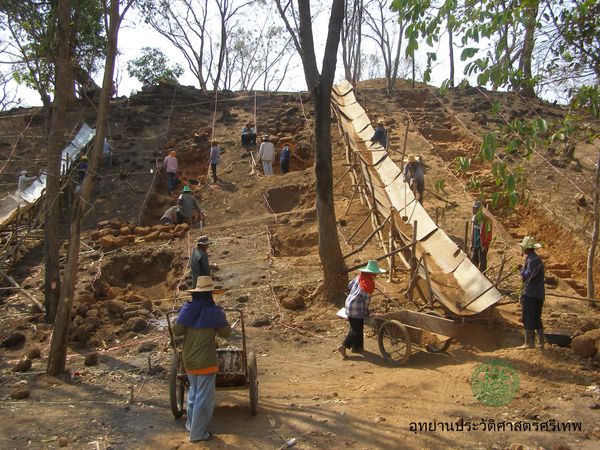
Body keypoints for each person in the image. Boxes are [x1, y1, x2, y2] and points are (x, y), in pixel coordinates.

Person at [172, 276, 231, 442]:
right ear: (210, 294)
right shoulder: (214, 312)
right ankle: (198, 434)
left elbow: (177, 331)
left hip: (189, 359)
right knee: (204, 398)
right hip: (206, 361)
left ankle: (191, 425)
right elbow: (226, 333)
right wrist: (222, 318)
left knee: (193, 393)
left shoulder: (187, 309)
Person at [337, 260, 386, 358]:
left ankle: (357, 347)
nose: (376, 275)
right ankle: (344, 346)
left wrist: (356, 292)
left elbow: (350, 285)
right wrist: (366, 310)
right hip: (357, 308)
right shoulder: (369, 284)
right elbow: (366, 300)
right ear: (372, 273)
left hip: (349, 303)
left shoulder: (359, 277)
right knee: (356, 330)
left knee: (357, 327)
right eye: (375, 273)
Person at [517, 236, 545, 350]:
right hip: (538, 294)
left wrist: (521, 270)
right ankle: (541, 342)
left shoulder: (532, 260)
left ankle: (529, 343)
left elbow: (528, 276)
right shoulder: (535, 259)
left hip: (530, 294)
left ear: (527, 248)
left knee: (527, 318)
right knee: (536, 318)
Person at [471, 200, 493, 272]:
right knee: (474, 260)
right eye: (474, 208)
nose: (474, 210)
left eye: (476, 208)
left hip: (482, 244)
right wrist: (472, 243)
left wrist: (485, 244)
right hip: (476, 243)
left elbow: (489, 233)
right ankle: (474, 275)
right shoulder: (474, 218)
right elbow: (473, 232)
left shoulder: (486, 220)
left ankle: (483, 276)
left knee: (482, 260)